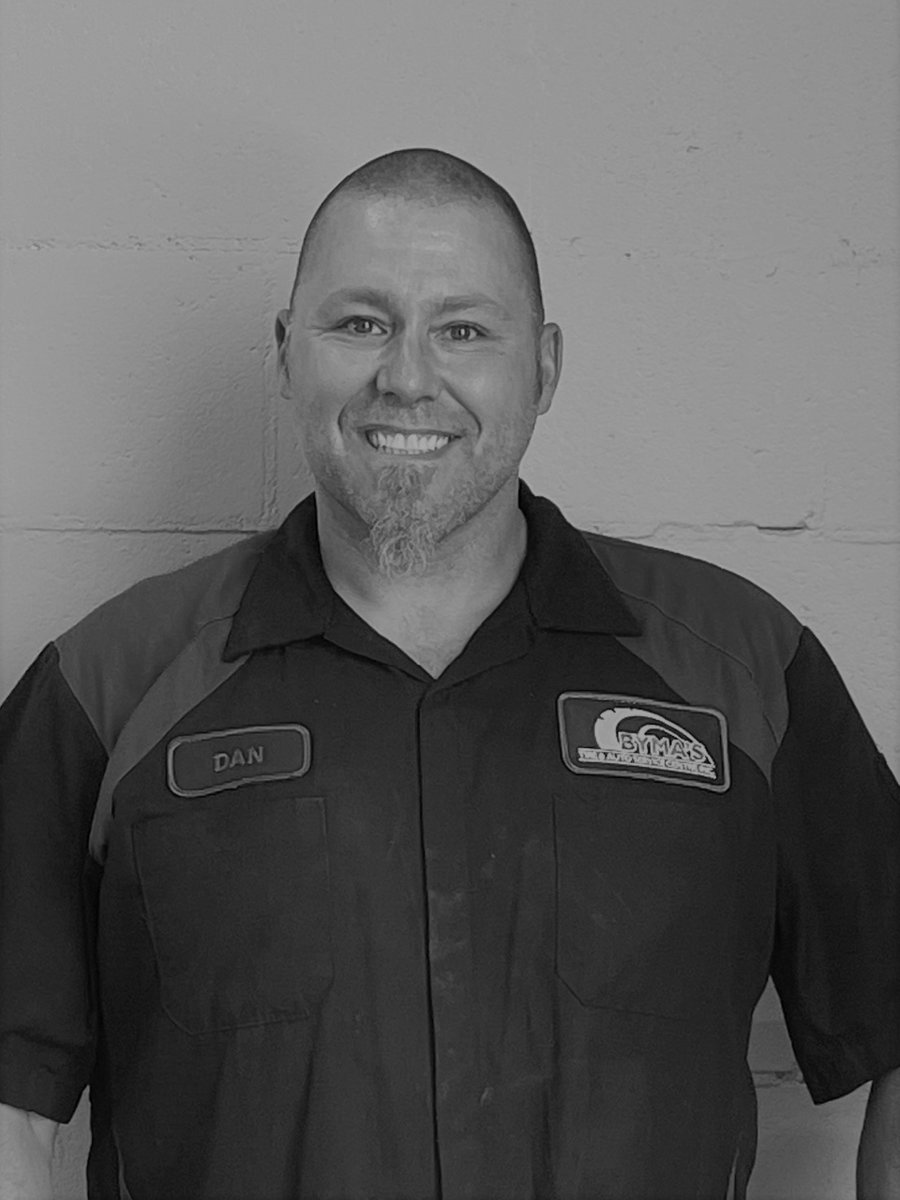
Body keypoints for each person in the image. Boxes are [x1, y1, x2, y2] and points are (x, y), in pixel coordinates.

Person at [1, 147, 898, 1200]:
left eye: (464, 329)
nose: (408, 377)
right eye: (360, 323)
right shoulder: (109, 686)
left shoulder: (745, 670)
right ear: (287, 354)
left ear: (544, 368)